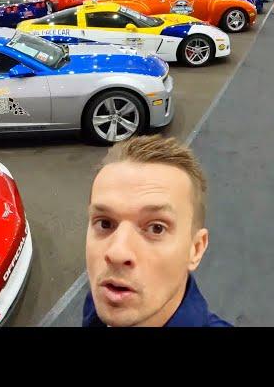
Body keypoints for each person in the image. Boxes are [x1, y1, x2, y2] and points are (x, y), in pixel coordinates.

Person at [83, 134, 231, 327]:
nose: (117, 253)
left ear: (196, 249)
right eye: (105, 223)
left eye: (156, 228)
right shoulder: (100, 300)